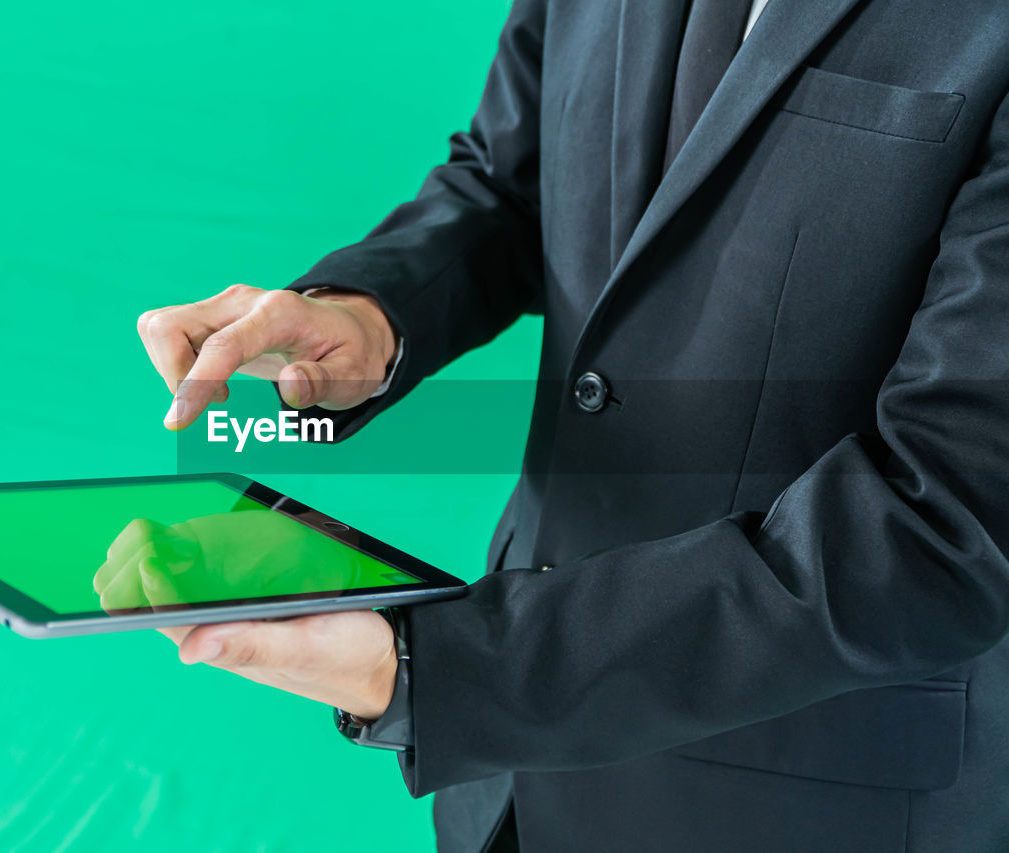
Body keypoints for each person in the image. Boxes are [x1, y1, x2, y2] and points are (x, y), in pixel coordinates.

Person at [134, 0, 1009, 849]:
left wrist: (434, 665)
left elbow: (945, 522)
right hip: (505, 796)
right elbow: (510, 180)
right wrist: (372, 314)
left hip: (800, 799)